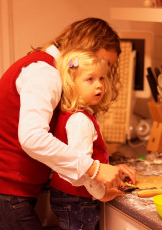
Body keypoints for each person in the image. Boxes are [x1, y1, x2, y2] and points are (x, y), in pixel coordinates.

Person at [0, 18, 136, 230]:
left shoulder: (49, 70)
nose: (102, 77)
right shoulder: (44, 74)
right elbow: (33, 138)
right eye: (102, 64)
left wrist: (104, 168)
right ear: (84, 52)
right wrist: (95, 169)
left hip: (0, 194)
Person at [50, 49, 126, 230]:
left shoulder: (71, 114)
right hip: (78, 199)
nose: (99, 85)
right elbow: (82, 166)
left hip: (65, 194)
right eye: (90, 79)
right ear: (71, 84)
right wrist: (102, 193)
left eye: (101, 78)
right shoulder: (80, 121)